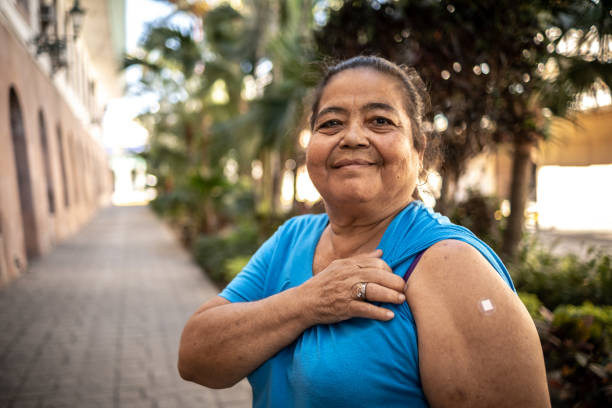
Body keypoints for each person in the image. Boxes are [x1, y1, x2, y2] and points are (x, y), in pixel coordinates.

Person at [178, 56, 550, 407]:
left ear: (419, 150)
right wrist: (308, 302)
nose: (352, 137)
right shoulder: (293, 237)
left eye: (380, 121)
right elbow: (195, 357)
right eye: (330, 124)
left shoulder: (451, 263)